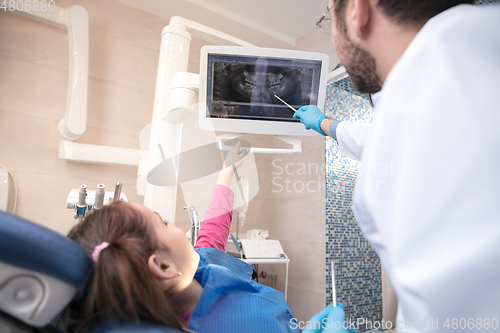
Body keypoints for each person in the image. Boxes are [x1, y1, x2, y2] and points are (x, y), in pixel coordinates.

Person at [293, 0, 500, 331]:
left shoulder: (436, 93)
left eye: (329, 13)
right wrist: (325, 125)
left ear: (357, 10)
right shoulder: (464, 60)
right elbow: (389, 139)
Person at [65, 143, 354, 333]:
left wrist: (226, 172)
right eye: (163, 222)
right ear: (164, 266)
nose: (175, 226)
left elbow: (213, 230)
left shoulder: (199, 270)